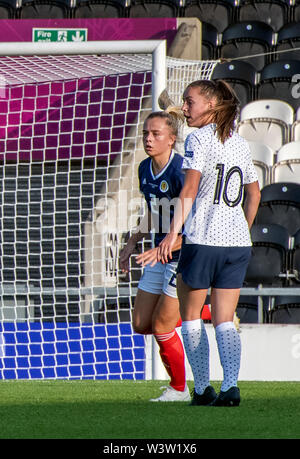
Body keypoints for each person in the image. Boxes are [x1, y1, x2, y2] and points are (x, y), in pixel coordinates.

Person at [158, 79, 261, 407]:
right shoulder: (240, 143)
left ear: (212, 107)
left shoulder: (198, 138)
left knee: (189, 316)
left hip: (202, 239)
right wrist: (241, 229)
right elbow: (254, 193)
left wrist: (173, 233)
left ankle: (202, 389)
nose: (185, 108)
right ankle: (230, 387)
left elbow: (189, 190)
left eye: (190, 102)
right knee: (224, 319)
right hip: (236, 244)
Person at [119, 109, 191, 402]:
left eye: (155, 134)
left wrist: (165, 247)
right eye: (145, 134)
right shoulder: (144, 169)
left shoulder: (182, 171)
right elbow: (153, 211)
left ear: (172, 139)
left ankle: (178, 390)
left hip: (183, 255)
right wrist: (131, 242)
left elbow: (195, 226)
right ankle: (200, 312)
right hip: (157, 253)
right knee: (141, 324)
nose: (148, 139)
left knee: (162, 326)